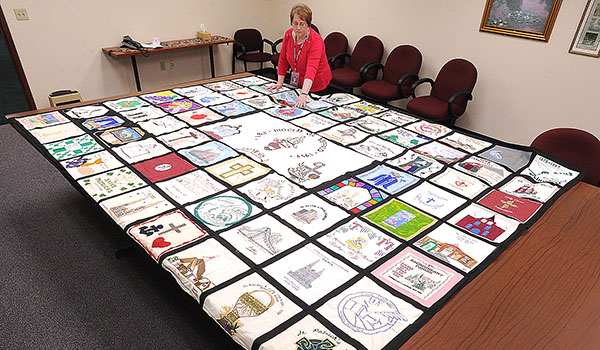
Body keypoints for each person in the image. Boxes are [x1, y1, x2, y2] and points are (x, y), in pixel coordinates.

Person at [267, 3, 332, 107]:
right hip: (299, 82)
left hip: (317, 83)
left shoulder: (315, 41)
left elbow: (311, 69)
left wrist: (304, 93)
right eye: (295, 23)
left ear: (308, 24)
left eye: (302, 24)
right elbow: (283, 59)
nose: (298, 28)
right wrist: (280, 83)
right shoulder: (288, 34)